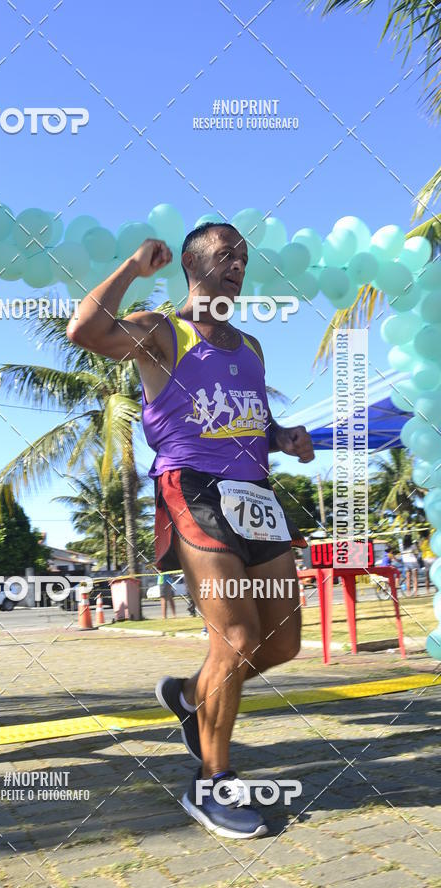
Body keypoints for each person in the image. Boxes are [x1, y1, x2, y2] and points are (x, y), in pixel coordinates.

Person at [67, 223, 314, 838]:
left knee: (280, 644)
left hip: (254, 494)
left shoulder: (251, 347)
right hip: (193, 489)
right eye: (226, 255)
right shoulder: (161, 332)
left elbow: (256, 417)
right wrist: (130, 266)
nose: (238, 266)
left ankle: (188, 695)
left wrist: (281, 437)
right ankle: (211, 783)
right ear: (193, 265)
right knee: (234, 638)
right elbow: (85, 332)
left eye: (244, 258)